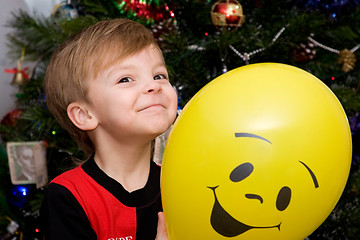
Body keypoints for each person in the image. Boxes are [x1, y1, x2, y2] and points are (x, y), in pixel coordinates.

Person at [40, 18, 178, 240]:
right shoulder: (67, 196)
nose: (154, 85)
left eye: (159, 75)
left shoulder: (179, 183)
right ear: (85, 115)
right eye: (125, 79)